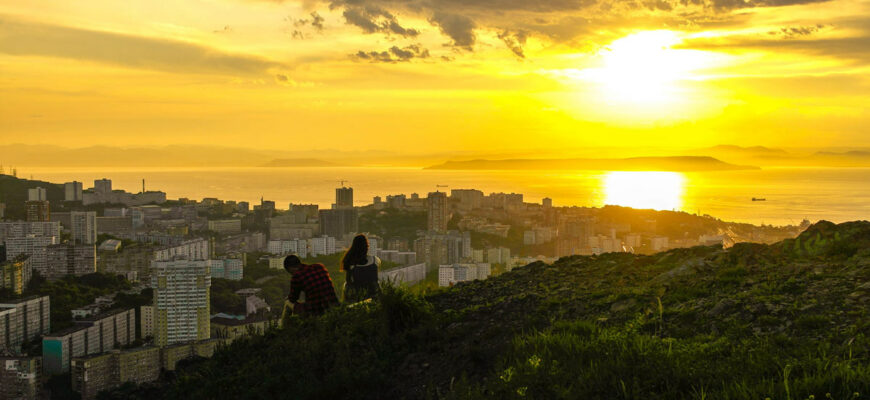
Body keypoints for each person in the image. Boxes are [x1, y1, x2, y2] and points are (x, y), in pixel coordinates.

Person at [341, 234, 381, 303]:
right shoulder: (375, 260)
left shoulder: (351, 264)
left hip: (357, 298)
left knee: (346, 285)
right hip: (375, 296)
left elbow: (349, 282)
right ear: (367, 247)